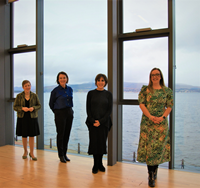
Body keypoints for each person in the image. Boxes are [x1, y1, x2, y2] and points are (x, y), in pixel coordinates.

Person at [137, 68, 173, 187]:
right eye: (152, 75)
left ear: (161, 76)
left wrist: (162, 117)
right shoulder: (145, 90)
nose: (155, 77)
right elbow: (141, 104)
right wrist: (151, 117)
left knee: (157, 149)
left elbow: (169, 106)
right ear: (150, 77)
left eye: (157, 74)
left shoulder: (167, 91)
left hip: (161, 125)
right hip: (148, 123)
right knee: (149, 149)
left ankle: (155, 170)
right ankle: (150, 174)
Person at [85, 73, 113, 174]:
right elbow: (88, 109)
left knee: (101, 144)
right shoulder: (90, 93)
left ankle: (100, 163)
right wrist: (93, 121)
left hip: (104, 123)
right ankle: (95, 164)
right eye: (99, 80)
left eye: (102, 81)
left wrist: (100, 121)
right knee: (94, 144)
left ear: (105, 82)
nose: (100, 82)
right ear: (96, 82)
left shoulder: (108, 94)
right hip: (92, 123)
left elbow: (109, 111)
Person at [49, 71, 74, 163]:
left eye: (64, 77)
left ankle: (65, 153)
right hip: (59, 113)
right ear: (58, 80)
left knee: (67, 134)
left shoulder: (70, 89)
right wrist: (57, 112)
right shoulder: (55, 91)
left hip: (69, 112)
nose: (63, 79)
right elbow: (51, 104)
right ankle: (61, 155)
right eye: (61, 78)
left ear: (67, 79)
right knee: (61, 134)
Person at [13, 80, 41, 161]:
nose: (27, 87)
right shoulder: (19, 96)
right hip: (22, 118)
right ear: (23, 87)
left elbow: (39, 105)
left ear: (30, 86)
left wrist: (33, 108)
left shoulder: (34, 96)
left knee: (32, 135)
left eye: (29, 85)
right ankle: (25, 151)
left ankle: (32, 153)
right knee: (24, 135)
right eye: (26, 86)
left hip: (32, 117)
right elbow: (15, 107)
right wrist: (22, 108)